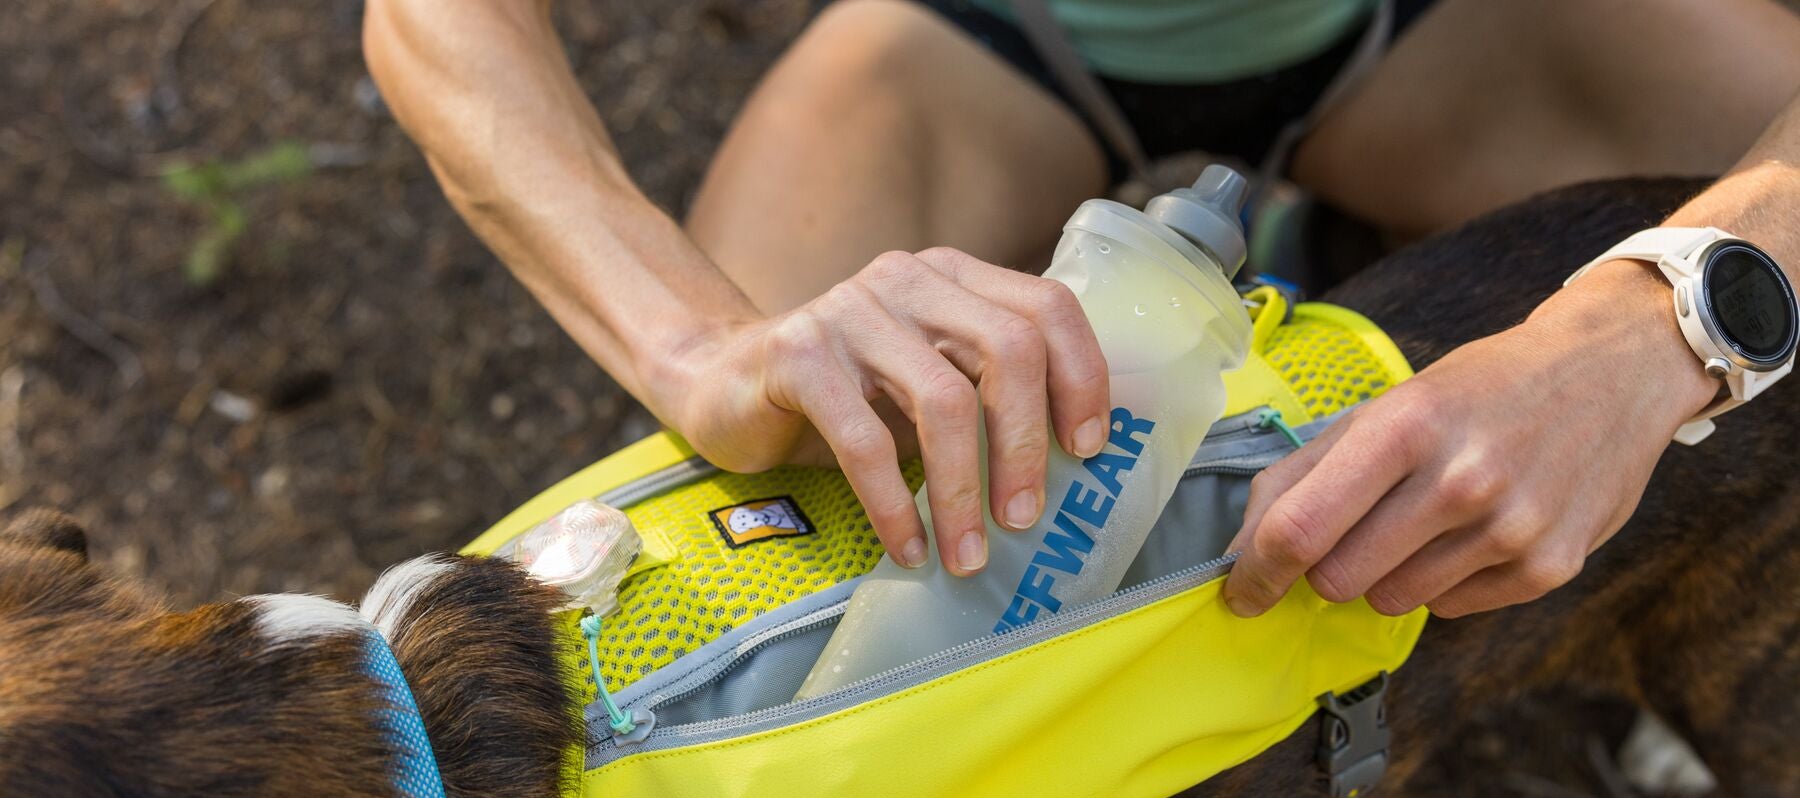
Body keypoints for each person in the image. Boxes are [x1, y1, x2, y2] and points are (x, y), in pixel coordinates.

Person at [363, 0, 1800, 618]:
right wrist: (701, 345)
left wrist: (1658, 325)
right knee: (735, 530)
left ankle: (1322, 237)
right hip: (985, 45)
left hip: (1443, 33)